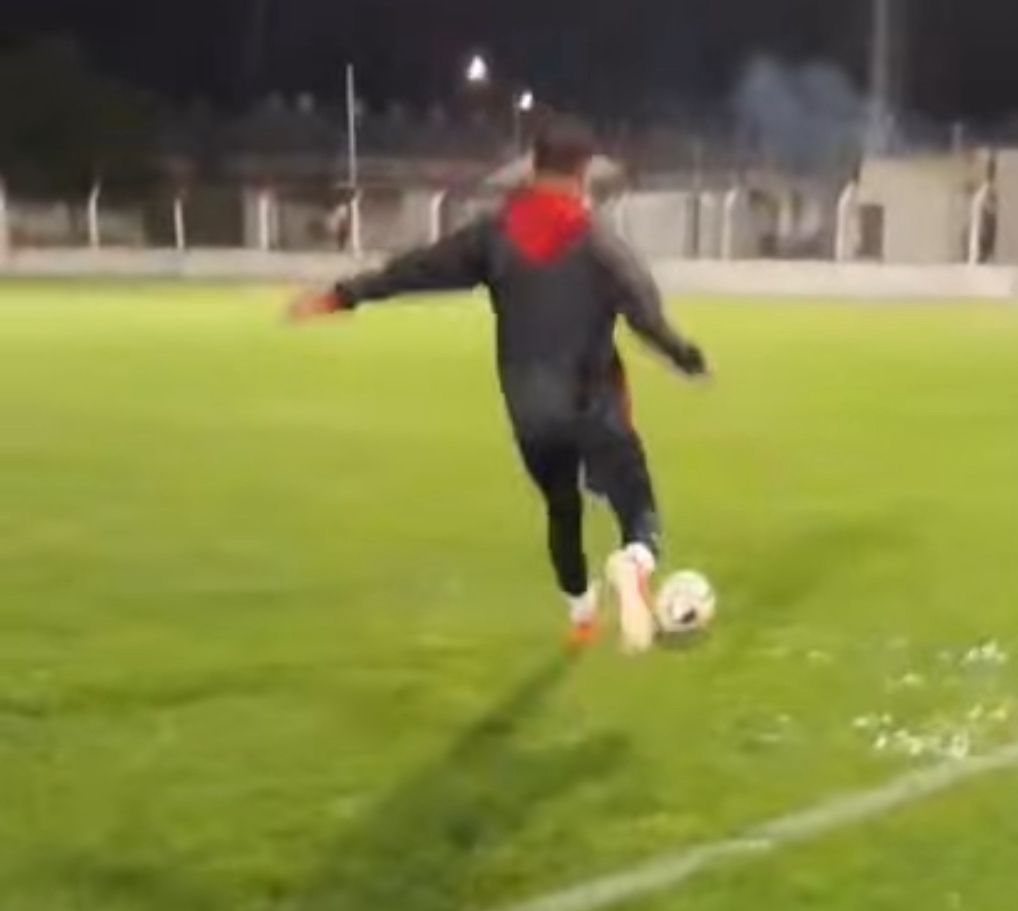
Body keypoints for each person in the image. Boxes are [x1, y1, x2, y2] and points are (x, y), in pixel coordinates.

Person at [289, 114, 709, 654]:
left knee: (562, 507)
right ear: (584, 172)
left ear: (533, 166)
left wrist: (341, 296)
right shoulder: (598, 242)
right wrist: (686, 358)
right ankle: (635, 560)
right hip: (592, 399)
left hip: (531, 408)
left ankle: (581, 612)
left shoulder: (494, 235)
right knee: (635, 499)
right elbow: (644, 314)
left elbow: (418, 269)